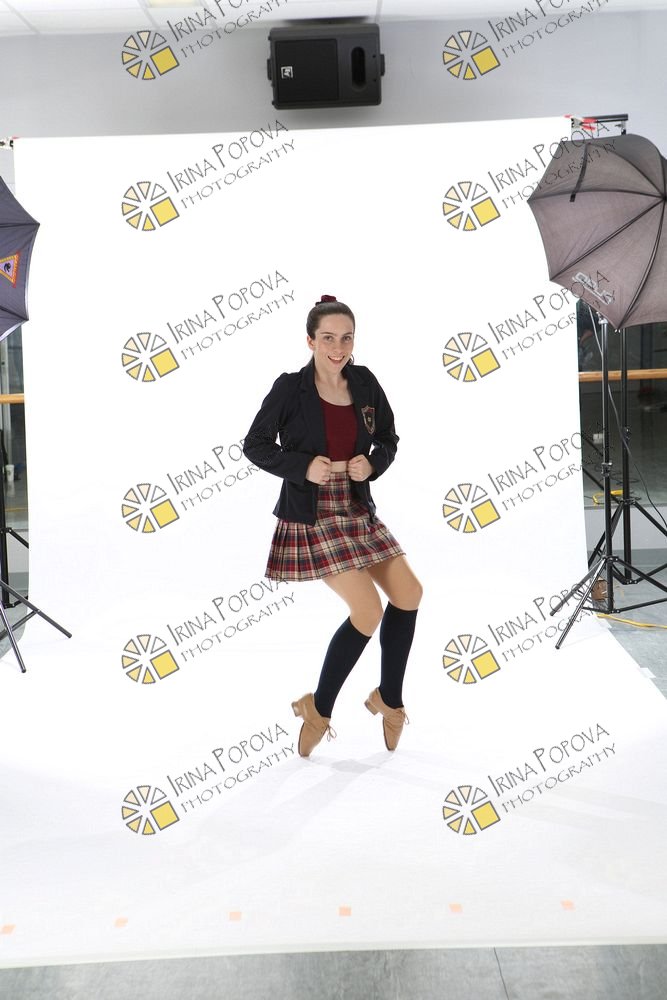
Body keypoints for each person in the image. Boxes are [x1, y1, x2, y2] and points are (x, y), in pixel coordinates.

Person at [243, 295, 422, 758]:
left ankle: (390, 699)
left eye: (346, 338)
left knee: (409, 593)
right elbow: (255, 444)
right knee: (368, 611)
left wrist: (373, 463)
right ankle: (319, 709)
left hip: (355, 506)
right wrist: (303, 466)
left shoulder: (364, 382)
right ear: (310, 341)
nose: (338, 348)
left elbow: (388, 438)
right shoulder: (290, 388)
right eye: (328, 338)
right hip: (313, 513)